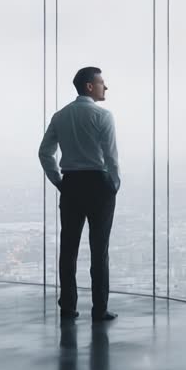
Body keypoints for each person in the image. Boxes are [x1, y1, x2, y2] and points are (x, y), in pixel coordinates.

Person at [39, 66, 120, 322]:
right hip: (98, 184)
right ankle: (99, 308)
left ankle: (68, 306)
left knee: (69, 249)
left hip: (71, 184)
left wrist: (59, 181)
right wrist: (114, 184)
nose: (105, 87)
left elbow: (45, 152)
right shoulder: (103, 116)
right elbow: (111, 157)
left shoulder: (60, 116)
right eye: (101, 83)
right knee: (100, 250)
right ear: (89, 86)